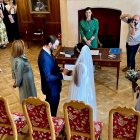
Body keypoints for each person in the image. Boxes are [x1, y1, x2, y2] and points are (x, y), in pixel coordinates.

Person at [38, 35, 69, 116]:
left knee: (51, 108)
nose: (56, 48)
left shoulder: (48, 52)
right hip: (51, 89)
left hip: (53, 87)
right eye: (55, 46)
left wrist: (60, 69)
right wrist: (62, 75)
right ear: (50, 44)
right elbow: (48, 78)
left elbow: (52, 67)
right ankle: (53, 126)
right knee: (52, 111)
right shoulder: (43, 58)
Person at [69, 44, 97, 120]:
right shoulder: (87, 64)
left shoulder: (79, 66)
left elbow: (77, 83)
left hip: (79, 92)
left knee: (78, 109)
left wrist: (73, 75)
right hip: (86, 90)